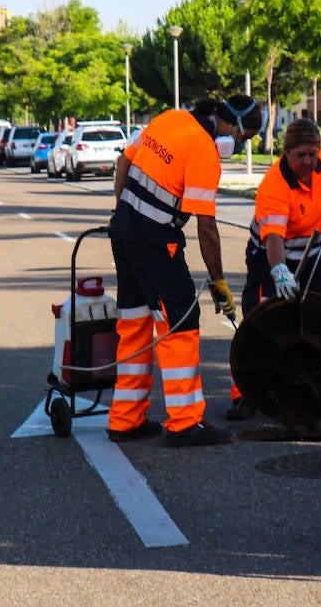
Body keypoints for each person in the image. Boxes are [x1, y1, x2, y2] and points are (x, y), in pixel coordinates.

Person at [106, 94, 262, 447]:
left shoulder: (169, 117)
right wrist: (219, 283)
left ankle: (125, 419)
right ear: (229, 126)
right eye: (244, 137)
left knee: (134, 323)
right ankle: (185, 422)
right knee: (180, 321)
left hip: (125, 232)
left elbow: (122, 165)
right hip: (155, 240)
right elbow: (206, 229)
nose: (241, 144)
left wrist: (121, 216)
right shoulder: (205, 152)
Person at [227, 119, 321, 420]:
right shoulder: (274, 187)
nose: (308, 161)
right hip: (271, 255)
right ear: (286, 153)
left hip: (314, 254)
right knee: (263, 317)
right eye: (301, 155)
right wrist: (280, 272)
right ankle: (245, 392)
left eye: (313, 154)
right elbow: (273, 240)